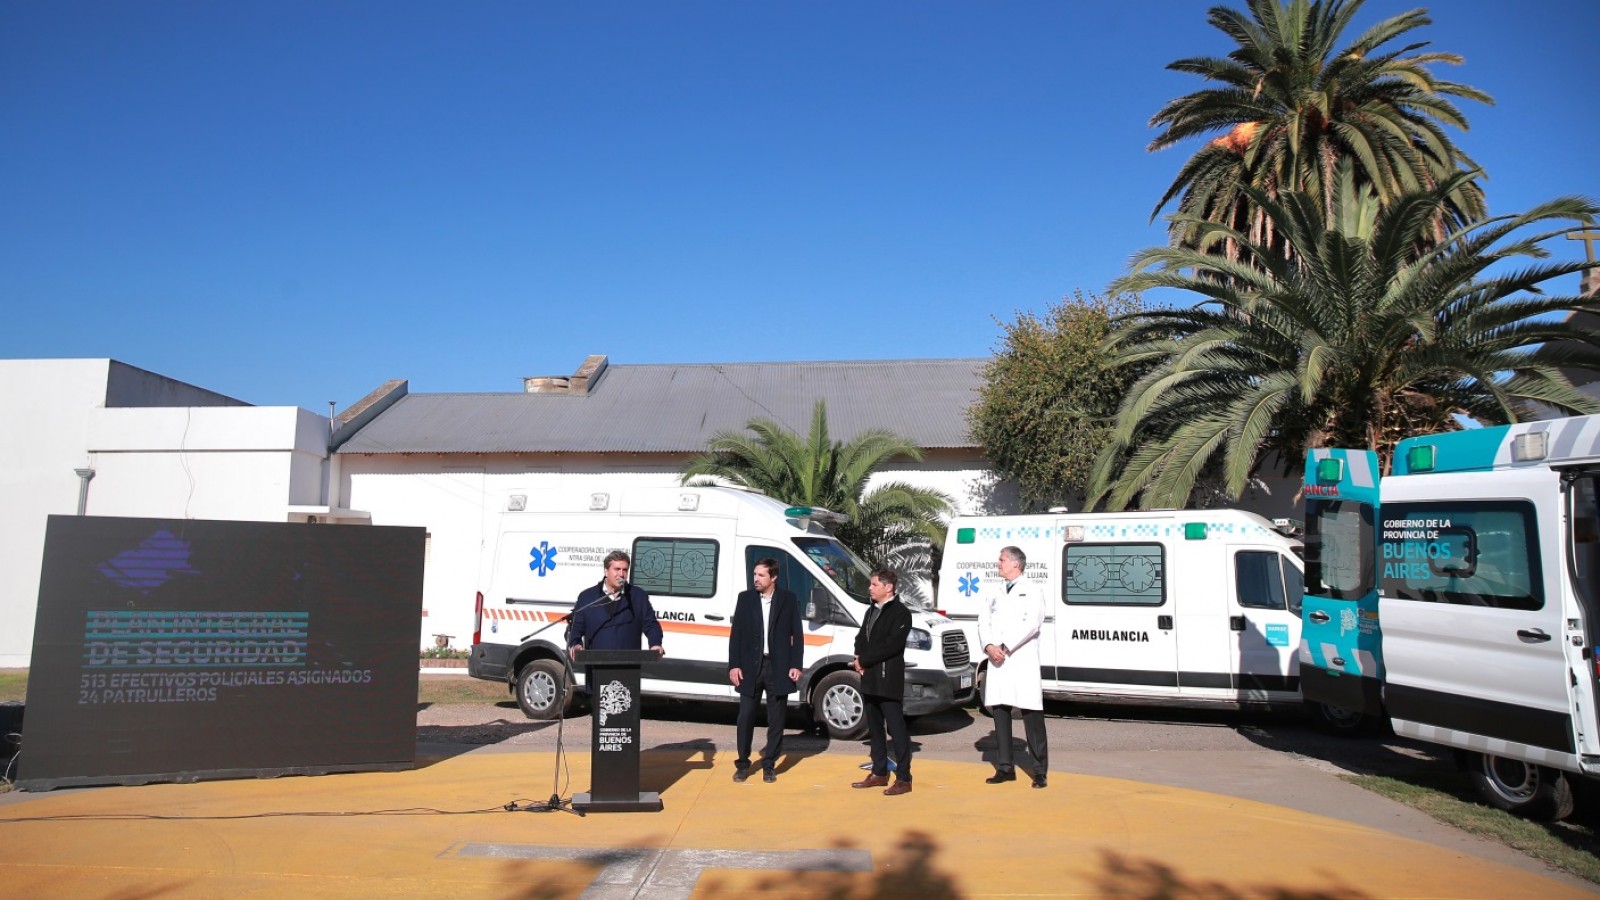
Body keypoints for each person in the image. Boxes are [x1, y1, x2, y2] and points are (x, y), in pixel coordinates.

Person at [727, 557, 804, 783]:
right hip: (751, 667)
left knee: (777, 718)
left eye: (761, 575)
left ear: (774, 577)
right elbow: (736, 634)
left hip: (778, 667)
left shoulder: (788, 600)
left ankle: (769, 764)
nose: (756, 579)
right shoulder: (746, 599)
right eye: (754, 575)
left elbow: (797, 635)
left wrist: (796, 665)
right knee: (746, 716)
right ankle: (742, 763)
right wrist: (734, 665)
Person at [978, 545, 1048, 788]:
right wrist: (988, 646)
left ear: (1016, 564)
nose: (999, 564)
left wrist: (1006, 646)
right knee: (1000, 711)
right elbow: (983, 621)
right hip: (997, 659)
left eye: (1002, 560)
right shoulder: (994, 591)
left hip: (1020, 658)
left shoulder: (1032, 589)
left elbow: (1032, 622)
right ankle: (1005, 767)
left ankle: (1039, 770)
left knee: (1031, 714)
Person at [851, 567, 914, 796]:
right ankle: (879, 772)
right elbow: (861, 636)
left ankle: (904, 778)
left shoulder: (901, 613)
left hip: (888, 679)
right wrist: (858, 658)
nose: (870, 588)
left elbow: (892, 645)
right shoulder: (871, 611)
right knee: (875, 729)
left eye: (874, 584)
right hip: (869, 677)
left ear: (889, 587)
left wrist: (865, 659)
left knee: (896, 729)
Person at [568, 550, 665, 657]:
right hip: (596, 666)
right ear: (606, 571)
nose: (621, 574)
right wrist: (575, 644)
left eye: (625, 570)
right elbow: (575, 628)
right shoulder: (587, 597)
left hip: (629, 665)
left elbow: (651, 624)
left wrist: (655, 643)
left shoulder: (638, 596)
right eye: (617, 569)